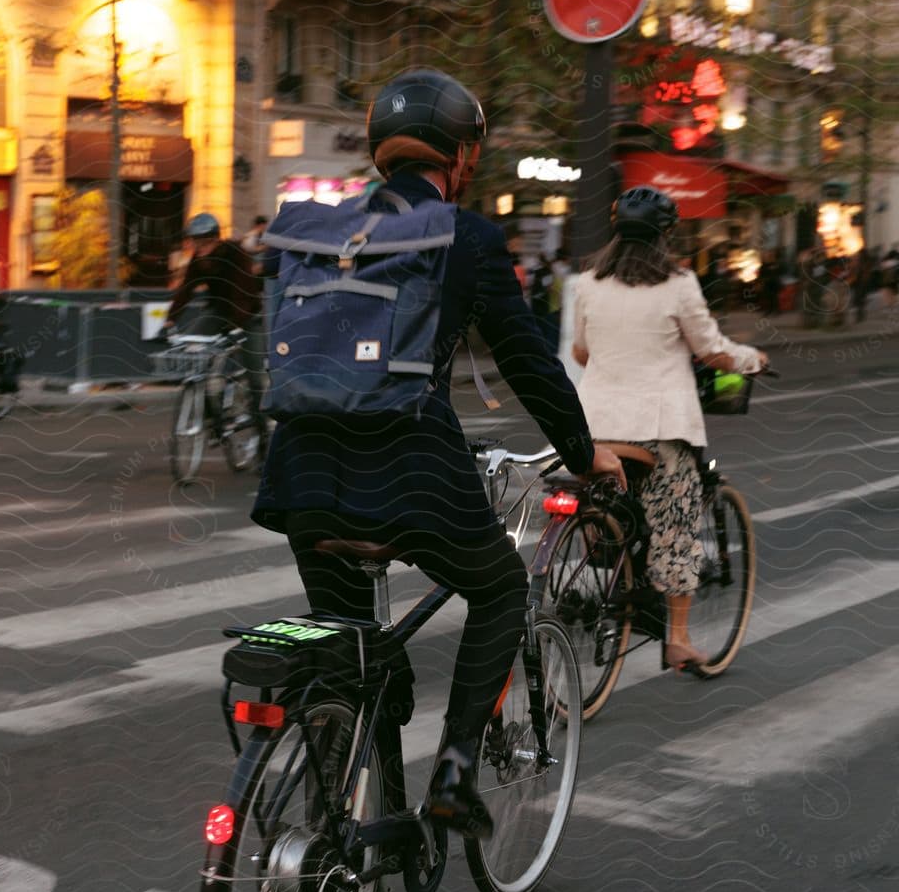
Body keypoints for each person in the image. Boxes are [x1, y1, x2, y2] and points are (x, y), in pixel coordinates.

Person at [252, 69, 624, 836]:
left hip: (301, 475)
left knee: (354, 653)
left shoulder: (320, 230)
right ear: (460, 156)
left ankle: (357, 825)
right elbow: (526, 362)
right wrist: (586, 455)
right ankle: (453, 775)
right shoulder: (471, 237)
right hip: (411, 474)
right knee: (498, 591)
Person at [571, 186, 767, 674]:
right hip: (658, 430)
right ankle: (678, 640)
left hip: (593, 426)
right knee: (676, 529)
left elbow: (580, 351)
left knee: (600, 504)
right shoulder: (679, 283)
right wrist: (751, 358)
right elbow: (711, 351)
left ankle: (609, 565)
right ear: (667, 234)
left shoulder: (588, 281)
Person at [167, 212, 266, 434]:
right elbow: (186, 289)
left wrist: (237, 326)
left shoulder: (235, 254)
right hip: (218, 312)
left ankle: (263, 440)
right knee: (194, 348)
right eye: (194, 241)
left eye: (202, 242)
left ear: (214, 239)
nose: (197, 246)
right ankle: (212, 413)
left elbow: (243, 291)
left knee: (255, 379)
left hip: (248, 315)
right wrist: (170, 320)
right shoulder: (198, 260)